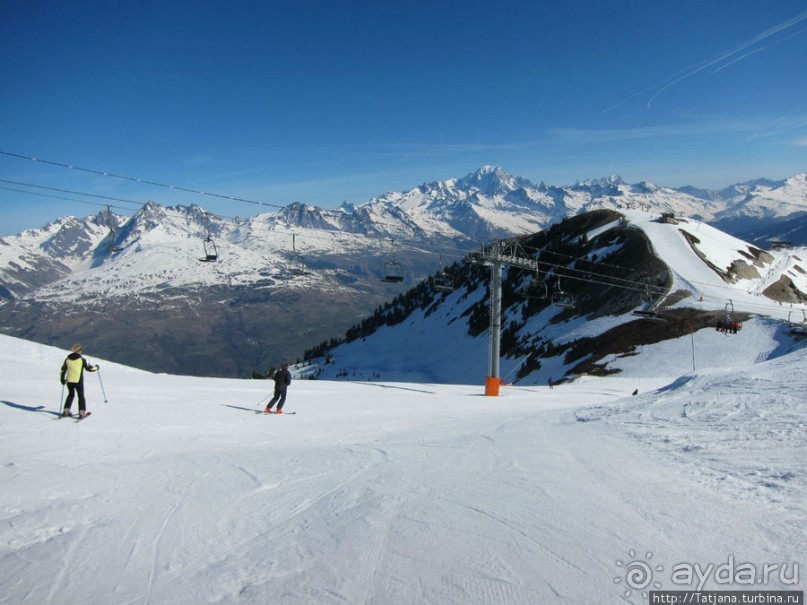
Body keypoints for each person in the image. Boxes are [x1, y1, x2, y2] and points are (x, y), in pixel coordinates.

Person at [60, 344, 99, 418]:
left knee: (70, 395)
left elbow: (63, 370)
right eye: (81, 349)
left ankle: (66, 411)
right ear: (79, 350)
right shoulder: (82, 359)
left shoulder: (67, 359)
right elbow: (89, 368)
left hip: (69, 381)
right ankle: (82, 413)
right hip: (78, 381)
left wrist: (62, 379)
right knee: (81, 396)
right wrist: (96, 368)